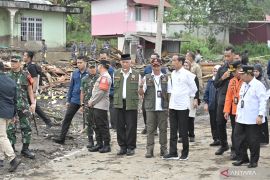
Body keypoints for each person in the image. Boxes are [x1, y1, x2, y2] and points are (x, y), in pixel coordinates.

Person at [163, 55, 197, 160]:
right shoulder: (172, 74)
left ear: (181, 62)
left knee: (183, 131)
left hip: (183, 106)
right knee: (173, 130)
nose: (172, 62)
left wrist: (187, 98)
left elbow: (194, 89)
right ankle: (173, 152)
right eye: (172, 60)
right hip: (173, 105)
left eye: (174, 60)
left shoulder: (188, 74)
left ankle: (185, 153)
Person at [232, 65, 266, 168]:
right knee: (238, 138)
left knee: (253, 141)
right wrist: (237, 114)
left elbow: (262, 101)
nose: (241, 76)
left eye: (243, 74)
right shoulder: (244, 84)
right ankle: (243, 158)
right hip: (242, 117)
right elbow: (240, 100)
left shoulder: (258, 85)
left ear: (248, 74)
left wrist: (260, 115)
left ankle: (254, 161)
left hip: (253, 118)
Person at [53, 56, 88, 144]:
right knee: (67, 118)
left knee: (91, 120)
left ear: (85, 63)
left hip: (87, 100)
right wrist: (68, 100)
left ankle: (94, 141)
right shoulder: (75, 73)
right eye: (78, 63)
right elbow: (71, 87)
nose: (78, 64)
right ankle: (62, 138)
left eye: (81, 62)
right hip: (75, 99)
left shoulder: (89, 73)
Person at [138, 58, 169, 158]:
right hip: (151, 107)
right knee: (150, 130)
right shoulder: (147, 78)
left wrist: (169, 106)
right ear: (151, 66)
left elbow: (170, 92)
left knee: (163, 129)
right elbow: (141, 93)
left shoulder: (166, 78)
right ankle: (149, 150)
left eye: (158, 65)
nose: (156, 67)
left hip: (163, 107)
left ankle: (164, 150)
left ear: (161, 66)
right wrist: (141, 86)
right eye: (154, 65)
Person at [7, 56, 36, 159]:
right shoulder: (7, 75)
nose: (12, 63)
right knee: (10, 128)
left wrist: (33, 103)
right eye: (12, 62)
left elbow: (30, 90)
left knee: (26, 127)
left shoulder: (26, 74)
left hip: (23, 105)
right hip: (11, 106)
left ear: (20, 63)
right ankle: (11, 148)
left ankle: (25, 149)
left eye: (15, 62)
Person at [114, 54, 140, 156]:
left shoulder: (136, 74)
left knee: (131, 126)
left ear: (130, 63)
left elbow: (140, 89)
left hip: (131, 102)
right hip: (119, 102)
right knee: (119, 126)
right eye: (123, 62)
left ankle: (130, 147)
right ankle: (122, 147)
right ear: (120, 63)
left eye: (127, 62)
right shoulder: (116, 73)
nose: (125, 64)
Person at [23, 51, 53, 129]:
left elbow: (35, 79)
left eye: (25, 56)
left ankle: (48, 121)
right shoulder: (26, 66)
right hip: (28, 89)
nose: (23, 57)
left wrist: (33, 91)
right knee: (29, 105)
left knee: (35, 106)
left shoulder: (31, 67)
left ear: (29, 57)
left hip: (32, 89)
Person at [0, 62, 21, 172]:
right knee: (1, 136)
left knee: (2, 137)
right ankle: (0, 159)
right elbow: (15, 99)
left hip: (1, 112)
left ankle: (13, 159)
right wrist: (14, 114)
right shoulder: (11, 81)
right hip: (9, 112)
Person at [214, 47, 234, 155]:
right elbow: (215, 84)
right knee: (220, 122)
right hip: (222, 99)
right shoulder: (222, 69)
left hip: (235, 100)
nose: (226, 58)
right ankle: (224, 144)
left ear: (234, 55)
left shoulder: (237, 69)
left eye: (228, 56)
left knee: (236, 125)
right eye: (225, 56)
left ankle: (235, 148)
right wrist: (223, 77)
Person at [88, 60, 112, 153]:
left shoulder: (105, 77)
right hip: (97, 105)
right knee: (96, 125)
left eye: (98, 65)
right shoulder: (102, 77)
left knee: (102, 125)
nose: (97, 67)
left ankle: (106, 145)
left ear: (101, 66)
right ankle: (99, 144)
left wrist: (92, 101)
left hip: (100, 105)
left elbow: (101, 92)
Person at [141, 53, 166, 134]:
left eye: (154, 58)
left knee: (158, 112)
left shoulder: (162, 70)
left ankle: (156, 128)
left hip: (160, 95)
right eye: (151, 58)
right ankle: (147, 126)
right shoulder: (147, 69)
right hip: (149, 94)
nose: (152, 60)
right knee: (145, 110)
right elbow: (143, 81)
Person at [223, 61, 243, 160]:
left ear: (240, 69)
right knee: (235, 132)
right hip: (234, 112)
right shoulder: (232, 81)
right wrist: (226, 110)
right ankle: (234, 150)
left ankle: (241, 152)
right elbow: (228, 96)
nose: (233, 73)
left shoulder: (245, 80)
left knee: (242, 133)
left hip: (243, 112)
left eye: (234, 71)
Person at [80, 60, 99, 149]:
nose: (92, 70)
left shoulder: (100, 78)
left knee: (98, 123)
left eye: (93, 68)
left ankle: (99, 141)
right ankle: (90, 141)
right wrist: (82, 104)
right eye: (90, 68)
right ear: (88, 69)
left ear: (96, 68)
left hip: (98, 104)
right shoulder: (84, 79)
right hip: (87, 104)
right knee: (89, 123)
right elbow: (82, 92)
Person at [182, 60, 200, 143]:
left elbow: (197, 89)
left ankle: (191, 135)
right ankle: (181, 136)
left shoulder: (193, 76)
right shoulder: (180, 76)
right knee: (181, 118)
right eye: (184, 65)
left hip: (191, 98)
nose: (185, 67)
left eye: (187, 65)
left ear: (189, 67)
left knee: (190, 118)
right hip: (182, 98)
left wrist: (196, 99)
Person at [203, 65, 221, 146]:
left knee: (220, 123)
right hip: (212, 105)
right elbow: (206, 93)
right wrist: (206, 103)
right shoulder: (210, 81)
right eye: (213, 71)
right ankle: (215, 139)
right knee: (213, 122)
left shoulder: (222, 81)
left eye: (216, 71)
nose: (214, 72)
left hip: (220, 106)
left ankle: (221, 139)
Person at [99, 50, 116, 129]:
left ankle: (113, 124)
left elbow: (113, 82)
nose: (103, 59)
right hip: (103, 92)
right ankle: (109, 124)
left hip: (110, 92)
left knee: (111, 108)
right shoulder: (100, 68)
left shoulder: (110, 69)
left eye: (104, 58)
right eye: (101, 58)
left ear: (107, 58)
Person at [253, 64, 269, 144]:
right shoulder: (253, 80)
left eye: (257, 71)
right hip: (255, 103)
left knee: (263, 120)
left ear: (260, 72)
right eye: (254, 71)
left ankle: (263, 140)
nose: (255, 73)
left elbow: (268, 90)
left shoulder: (263, 80)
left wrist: (264, 99)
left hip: (263, 103)